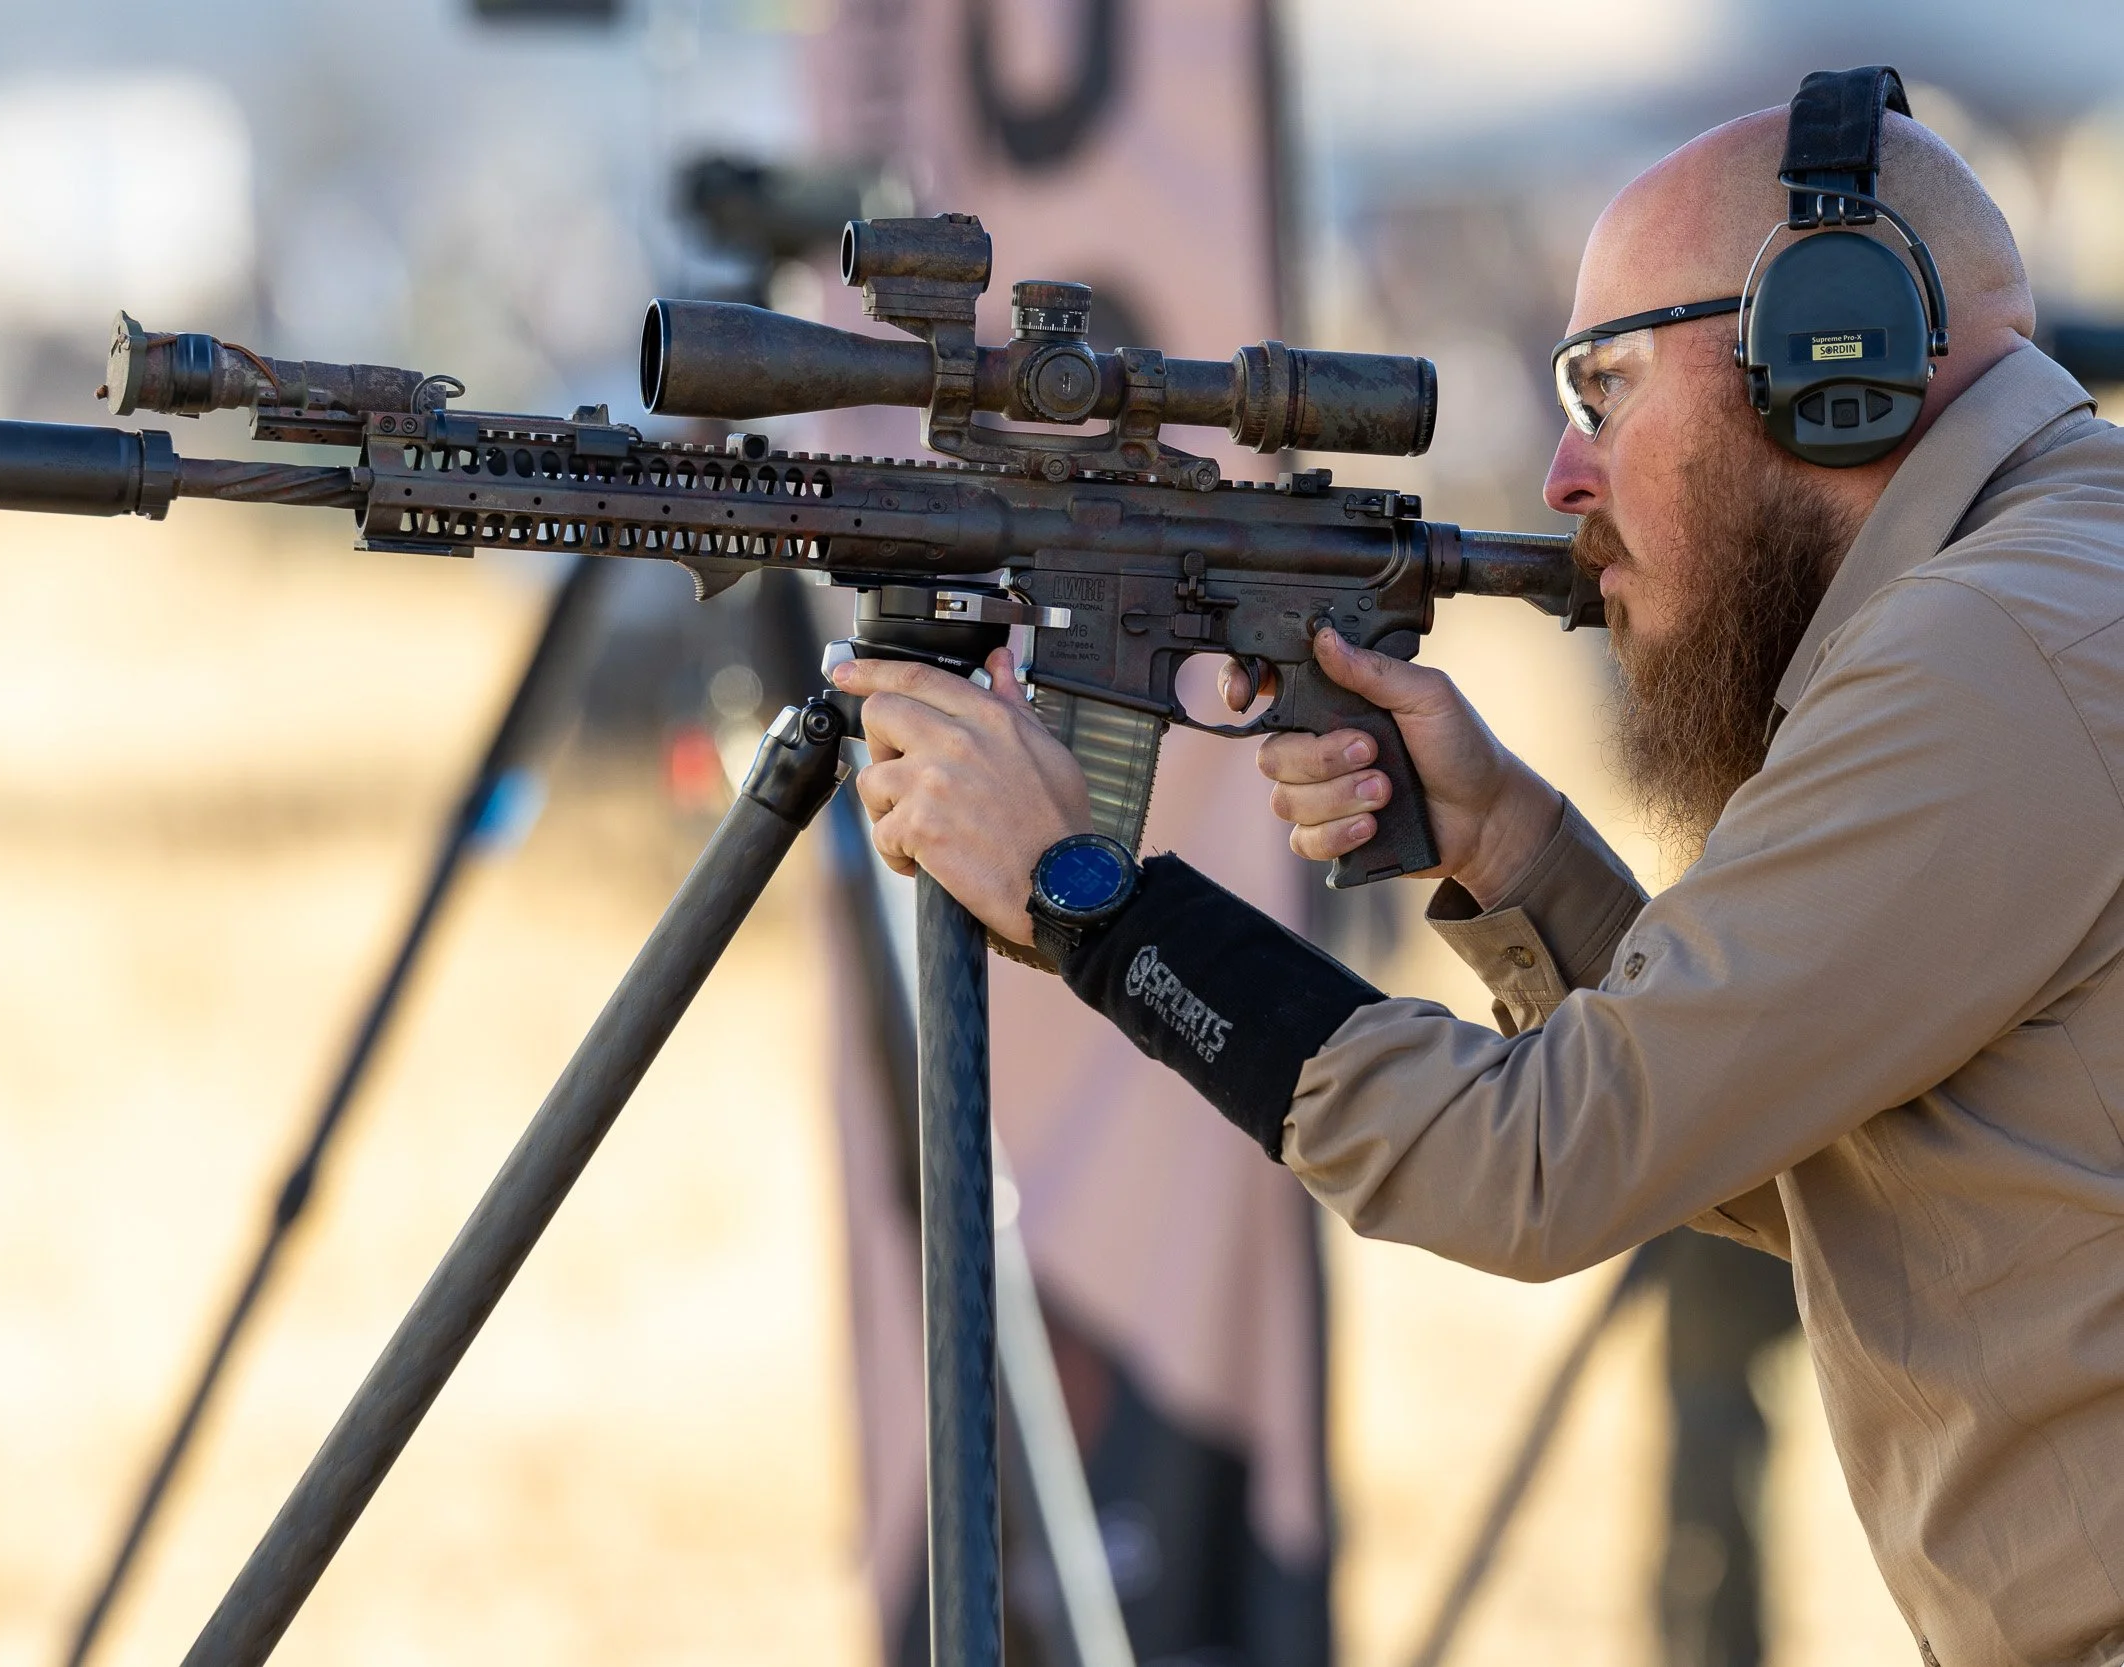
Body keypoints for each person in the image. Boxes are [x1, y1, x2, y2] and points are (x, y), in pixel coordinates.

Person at [826, 88, 2124, 1667]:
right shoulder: (2059, 578)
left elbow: (1536, 1167)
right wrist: (1509, 846)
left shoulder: (1992, 654)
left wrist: (1087, 894)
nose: (1568, 471)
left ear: (1822, 357)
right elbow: (1842, 1163)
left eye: (1608, 386)